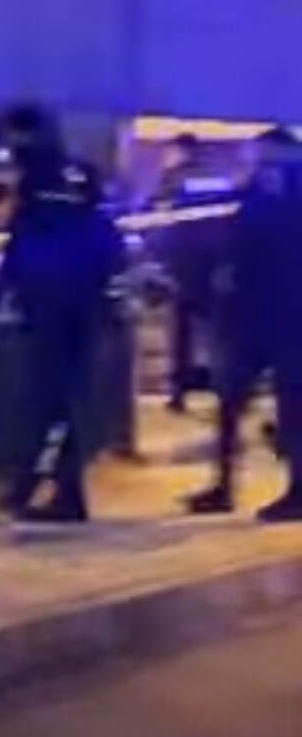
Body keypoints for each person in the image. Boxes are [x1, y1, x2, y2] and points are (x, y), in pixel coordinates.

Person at [0, 105, 123, 524]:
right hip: (85, 302)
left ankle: (46, 488)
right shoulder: (81, 173)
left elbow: (24, 242)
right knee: (66, 400)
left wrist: (8, 288)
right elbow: (102, 230)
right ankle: (54, 489)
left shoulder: (35, 179)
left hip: (50, 304)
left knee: (47, 401)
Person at [186, 127, 302, 521]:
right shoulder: (258, 191)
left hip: (276, 312)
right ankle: (227, 485)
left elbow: (240, 242)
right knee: (243, 401)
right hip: (265, 312)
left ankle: (240, 486)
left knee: (273, 403)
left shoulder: (269, 192)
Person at [152, 133, 236, 413]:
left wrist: (160, 261)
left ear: (182, 151)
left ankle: (178, 392)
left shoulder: (173, 180)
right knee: (218, 335)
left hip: (184, 266)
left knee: (181, 335)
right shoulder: (218, 178)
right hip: (214, 266)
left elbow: (160, 220)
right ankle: (225, 389)